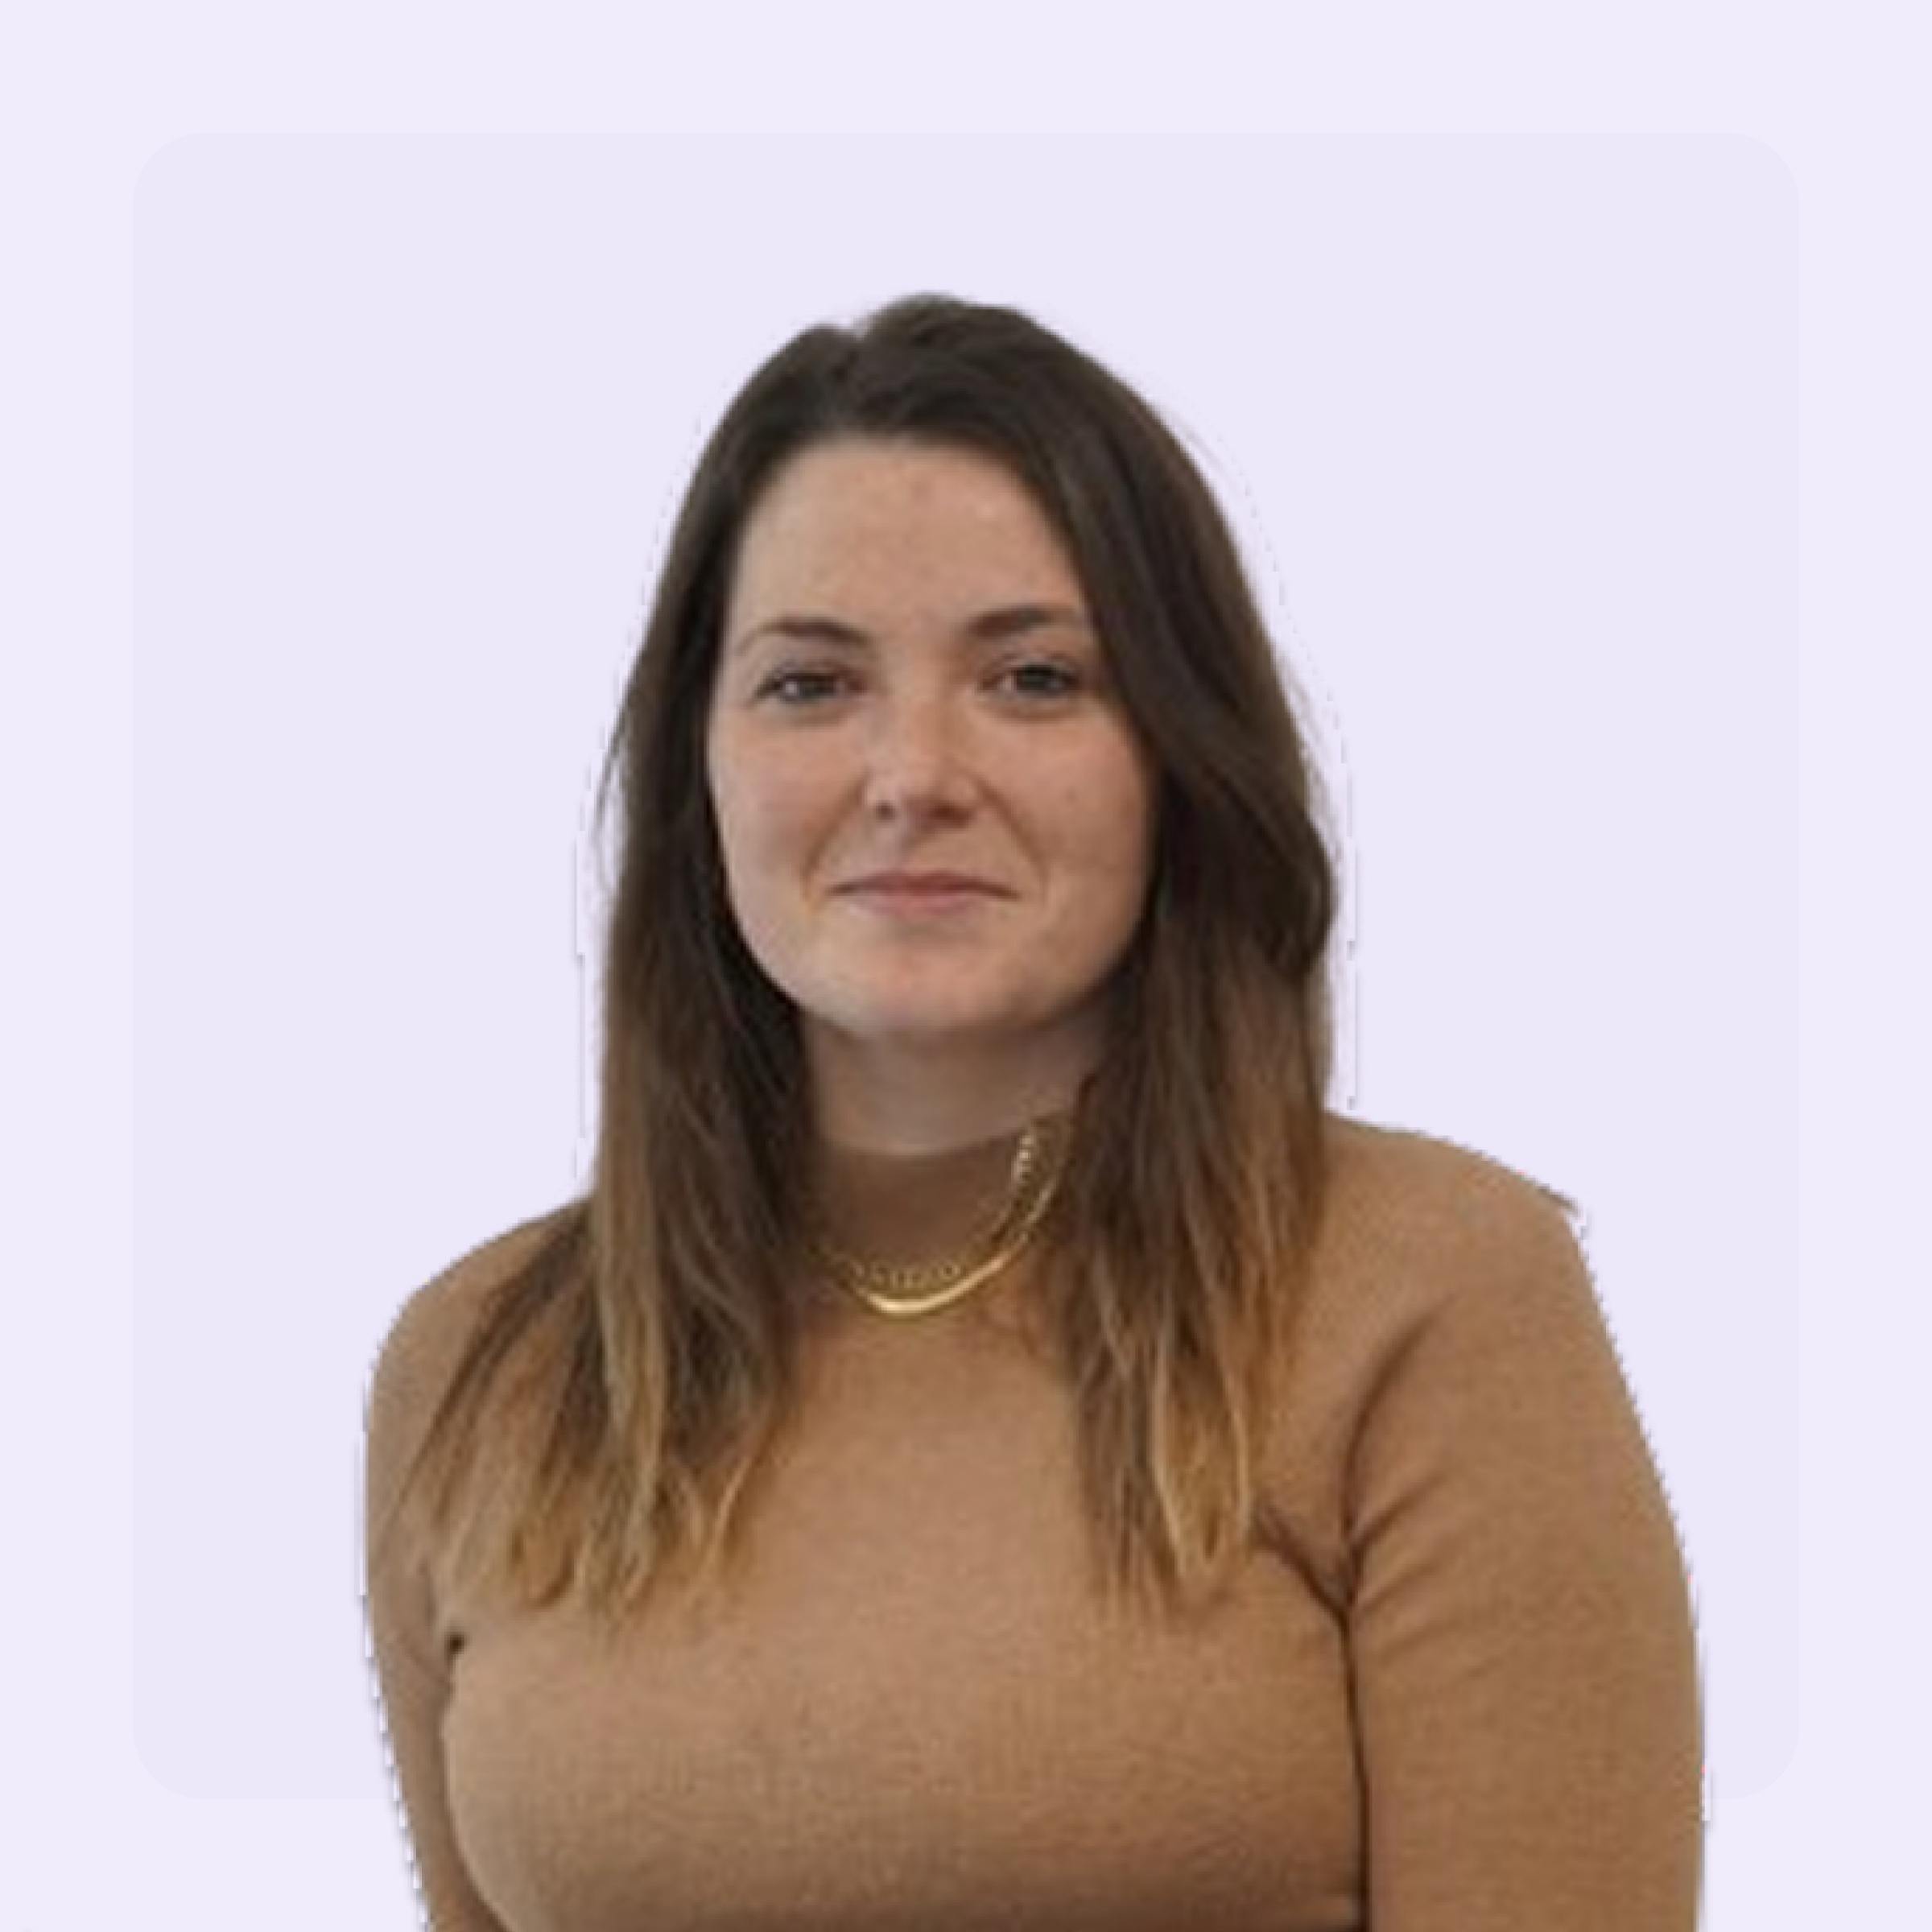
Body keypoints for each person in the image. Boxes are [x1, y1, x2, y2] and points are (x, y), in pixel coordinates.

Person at [363, 294, 1703, 1931]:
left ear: (1179, 755)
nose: (914, 774)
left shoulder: (1421, 1295)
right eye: (811, 683)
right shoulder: (483, 1368)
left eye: (1035, 677)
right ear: (698, 768)